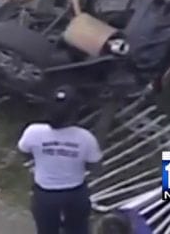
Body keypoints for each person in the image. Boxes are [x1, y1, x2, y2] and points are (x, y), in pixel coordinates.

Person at [17, 85, 102, 234]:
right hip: (75, 193)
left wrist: (44, 158)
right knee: (78, 229)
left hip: (45, 194)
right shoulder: (85, 138)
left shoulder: (33, 132)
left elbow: (24, 152)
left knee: (47, 230)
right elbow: (95, 167)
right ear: (75, 112)